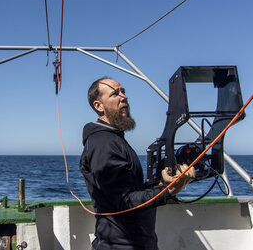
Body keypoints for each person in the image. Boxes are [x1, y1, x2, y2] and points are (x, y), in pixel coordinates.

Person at [80, 77, 195, 250]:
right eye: (114, 94)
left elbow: (129, 190)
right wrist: (169, 190)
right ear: (99, 106)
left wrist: (161, 183)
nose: (124, 97)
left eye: (123, 91)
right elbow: (123, 203)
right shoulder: (103, 143)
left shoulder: (114, 139)